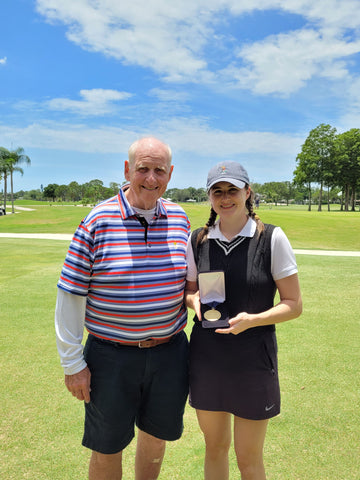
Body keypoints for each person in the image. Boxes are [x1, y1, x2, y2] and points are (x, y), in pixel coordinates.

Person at [55, 137, 190, 480]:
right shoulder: (97, 221)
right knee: (106, 448)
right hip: (110, 357)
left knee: (157, 440)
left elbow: (188, 285)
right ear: (127, 170)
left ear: (170, 174)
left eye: (159, 170)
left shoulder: (179, 217)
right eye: (143, 168)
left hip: (169, 353)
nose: (151, 178)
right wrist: (73, 364)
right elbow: (71, 294)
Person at [185, 161, 302, 480]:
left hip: (253, 359)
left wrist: (254, 319)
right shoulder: (197, 240)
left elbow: (293, 305)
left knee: (248, 459)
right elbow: (190, 292)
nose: (225, 198)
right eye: (217, 191)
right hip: (207, 358)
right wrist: (193, 300)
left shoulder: (272, 239)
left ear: (247, 192)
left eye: (232, 190)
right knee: (215, 449)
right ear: (209, 197)